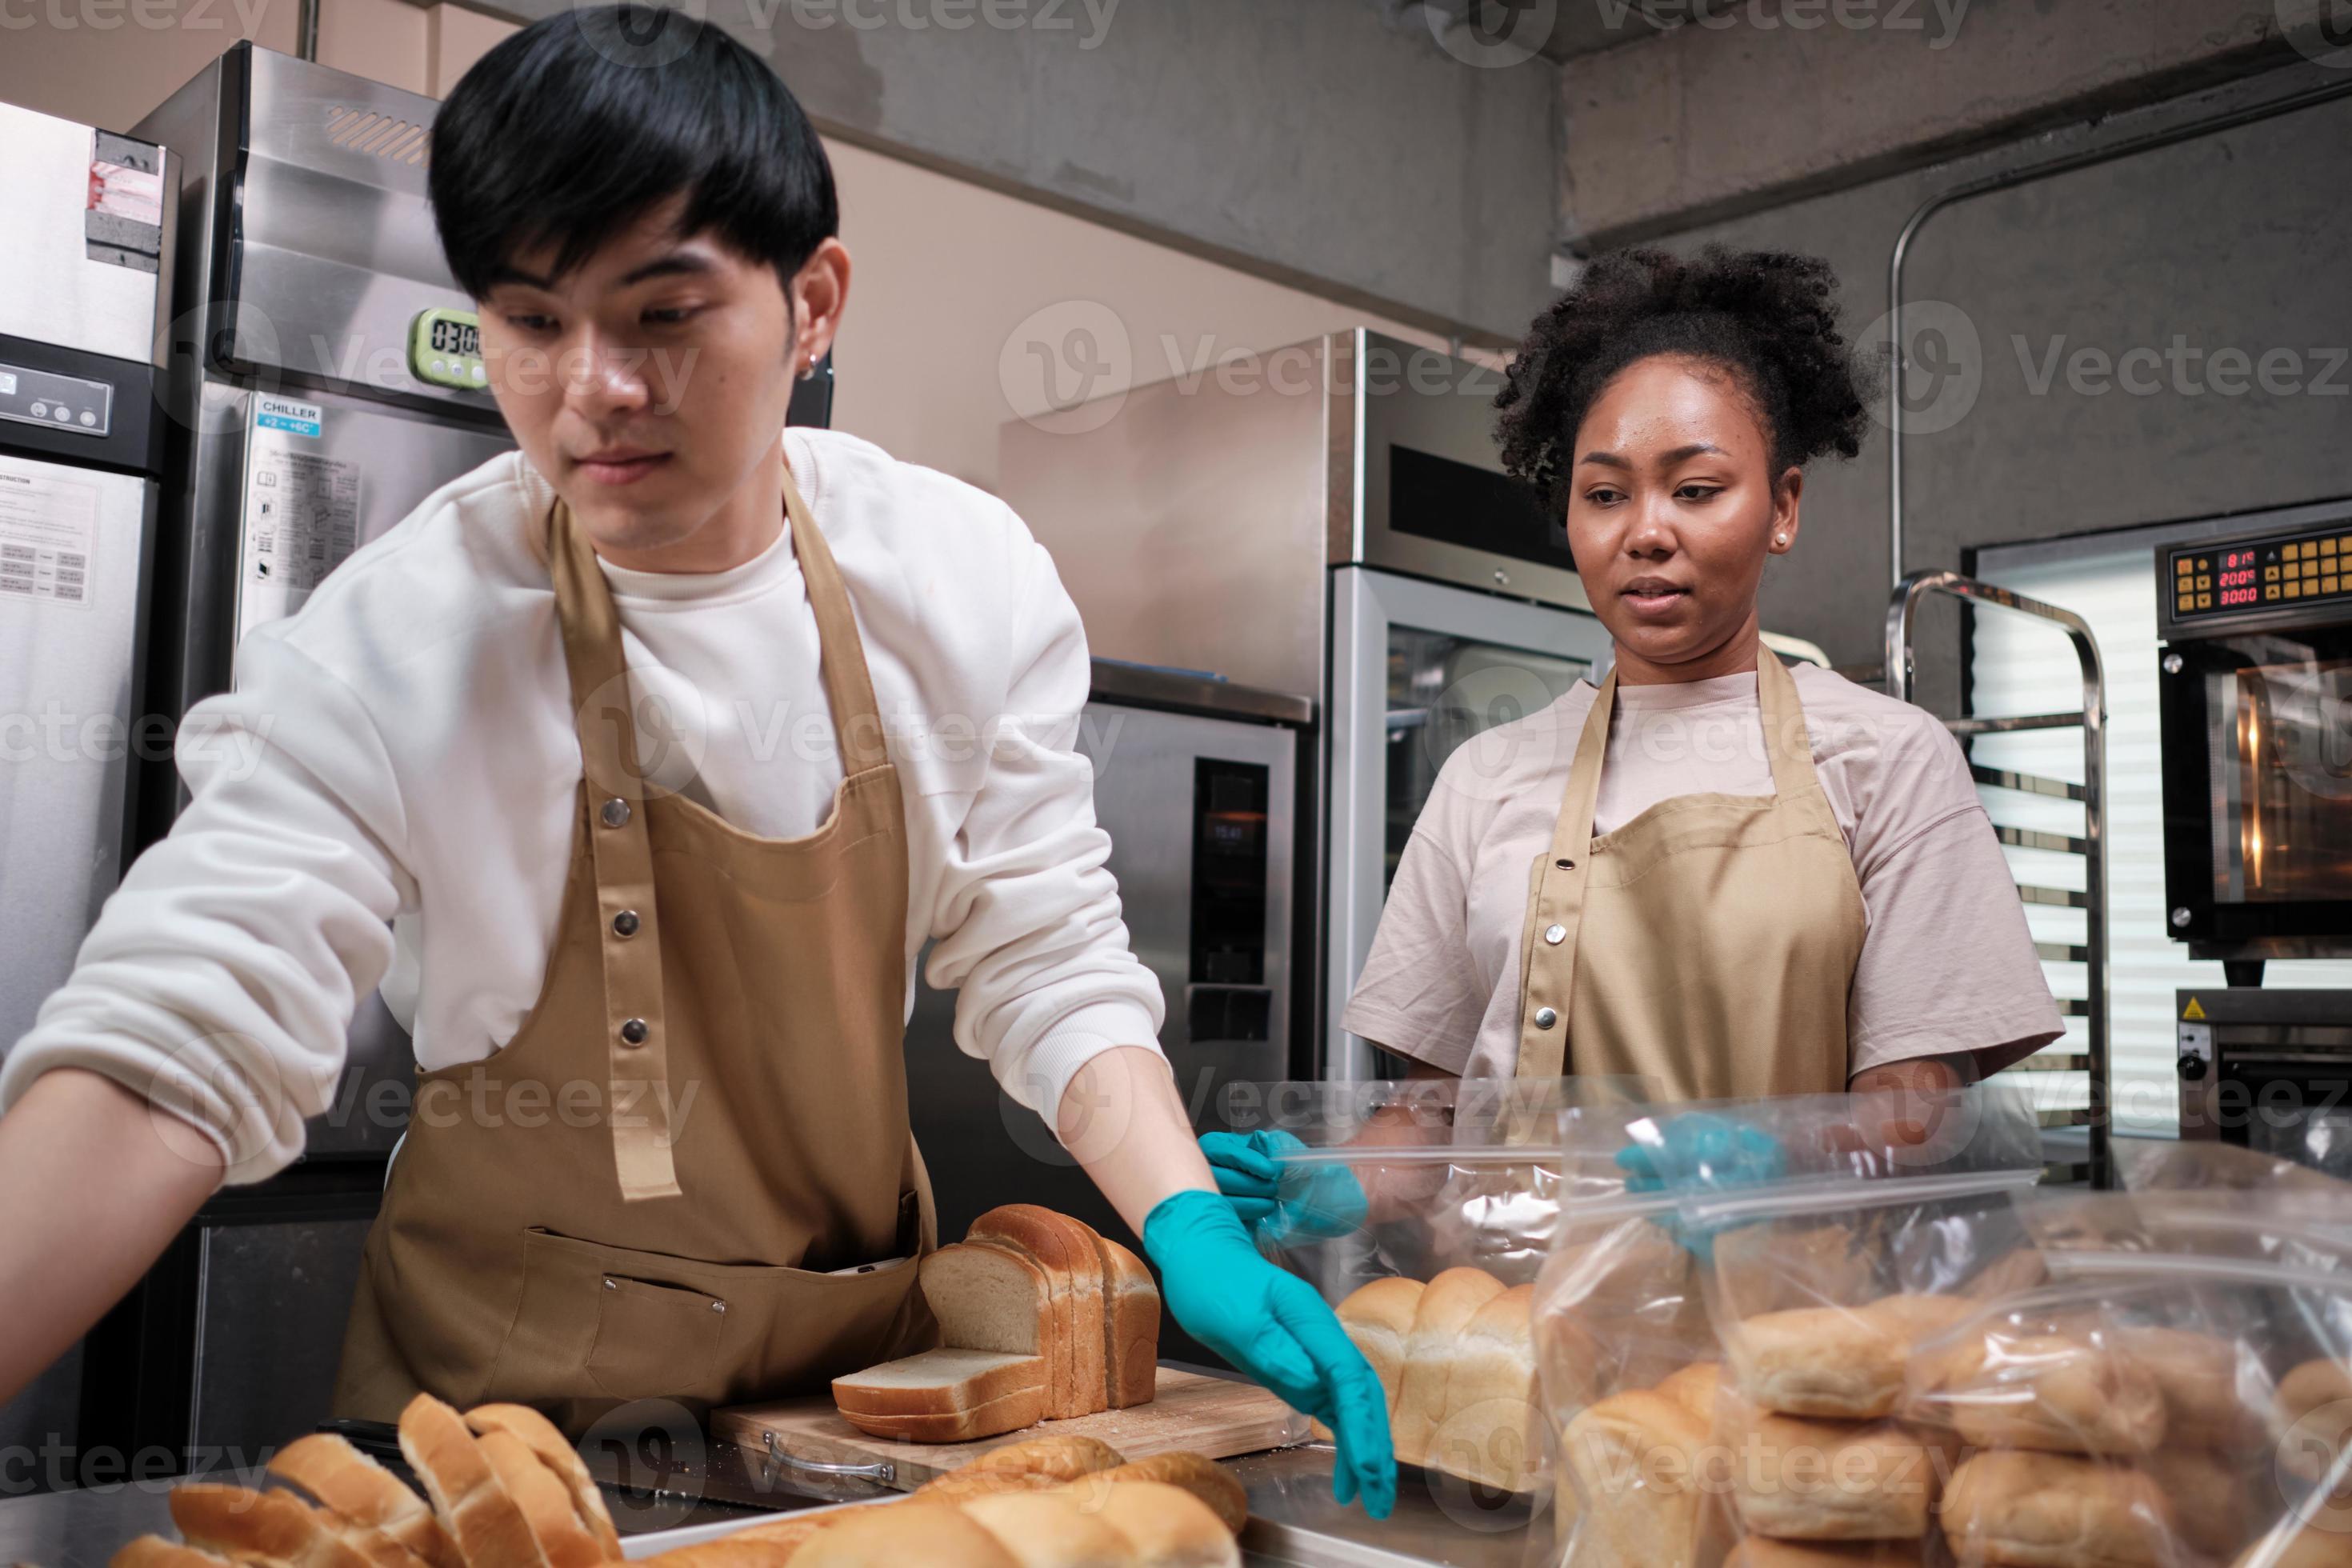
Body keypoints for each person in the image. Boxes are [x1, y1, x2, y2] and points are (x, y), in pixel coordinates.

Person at [0, 9, 1393, 1515]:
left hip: (843, 1412)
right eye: (532, 321)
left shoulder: (957, 579)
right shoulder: (409, 636)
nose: (591, 387)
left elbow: (1042, 947)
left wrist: (1181, 1216)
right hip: (506, 1440)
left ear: (814, 305)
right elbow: (171, 1053)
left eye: (661, 315)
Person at [1327, 246, 2062, 1102]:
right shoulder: (1483, 777)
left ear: (1783, 507)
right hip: (1517, 1246)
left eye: (1698, 488)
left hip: (1795, 1242)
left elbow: (1911, 1117)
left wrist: (1723, 1174)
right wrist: (1321, 1185)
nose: (1646, 532)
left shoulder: (1890, 758)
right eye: (1605, 495)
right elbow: (1429, 1119)